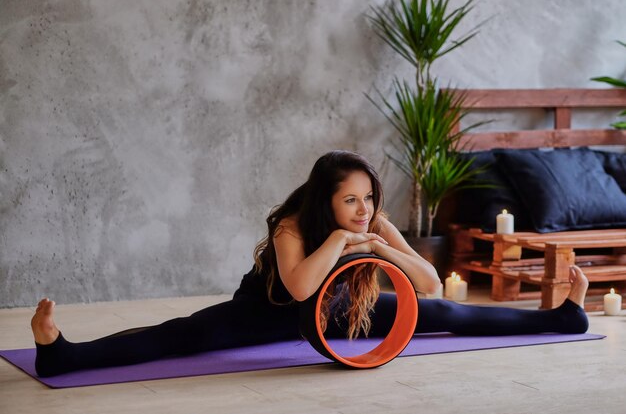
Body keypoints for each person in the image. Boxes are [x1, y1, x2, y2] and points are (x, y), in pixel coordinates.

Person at [31, 150, 589, 377]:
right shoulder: (293, 226)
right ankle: (61, 355)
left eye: (368, 198)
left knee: (447, 314)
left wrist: (380, 245)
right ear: (325, 199)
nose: (364, 209)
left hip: (342, 311)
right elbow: (299, 289)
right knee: (179, 335)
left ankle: (562, 318)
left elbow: (427, 281)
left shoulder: (372, 224)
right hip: (269, 311)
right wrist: (340, 245)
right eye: (351, 200)